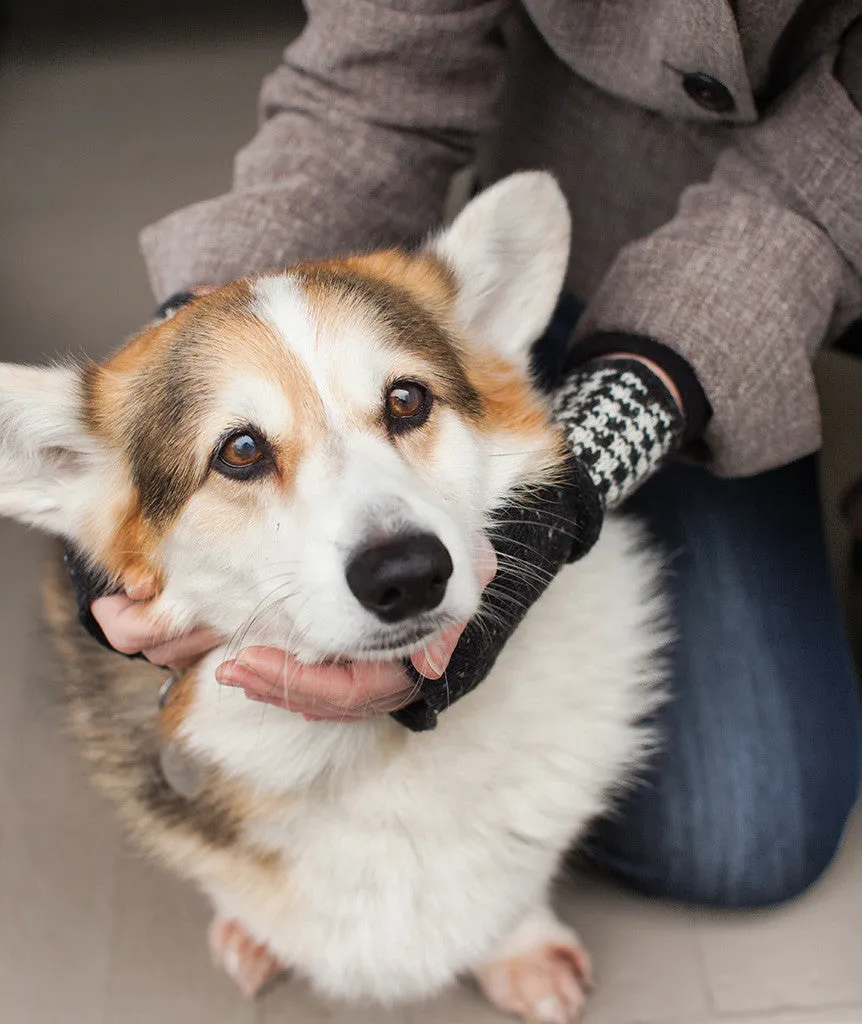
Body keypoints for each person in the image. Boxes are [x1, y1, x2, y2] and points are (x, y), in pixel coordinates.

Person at [81, 1, 862, 908]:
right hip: (603, 185)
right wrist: (136, 435)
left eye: (405, 404)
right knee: (735, 833)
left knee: (742, 837)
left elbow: (832, 183)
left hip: (823, 212)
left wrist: (588, 460)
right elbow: (372, 82)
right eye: (249, 452)